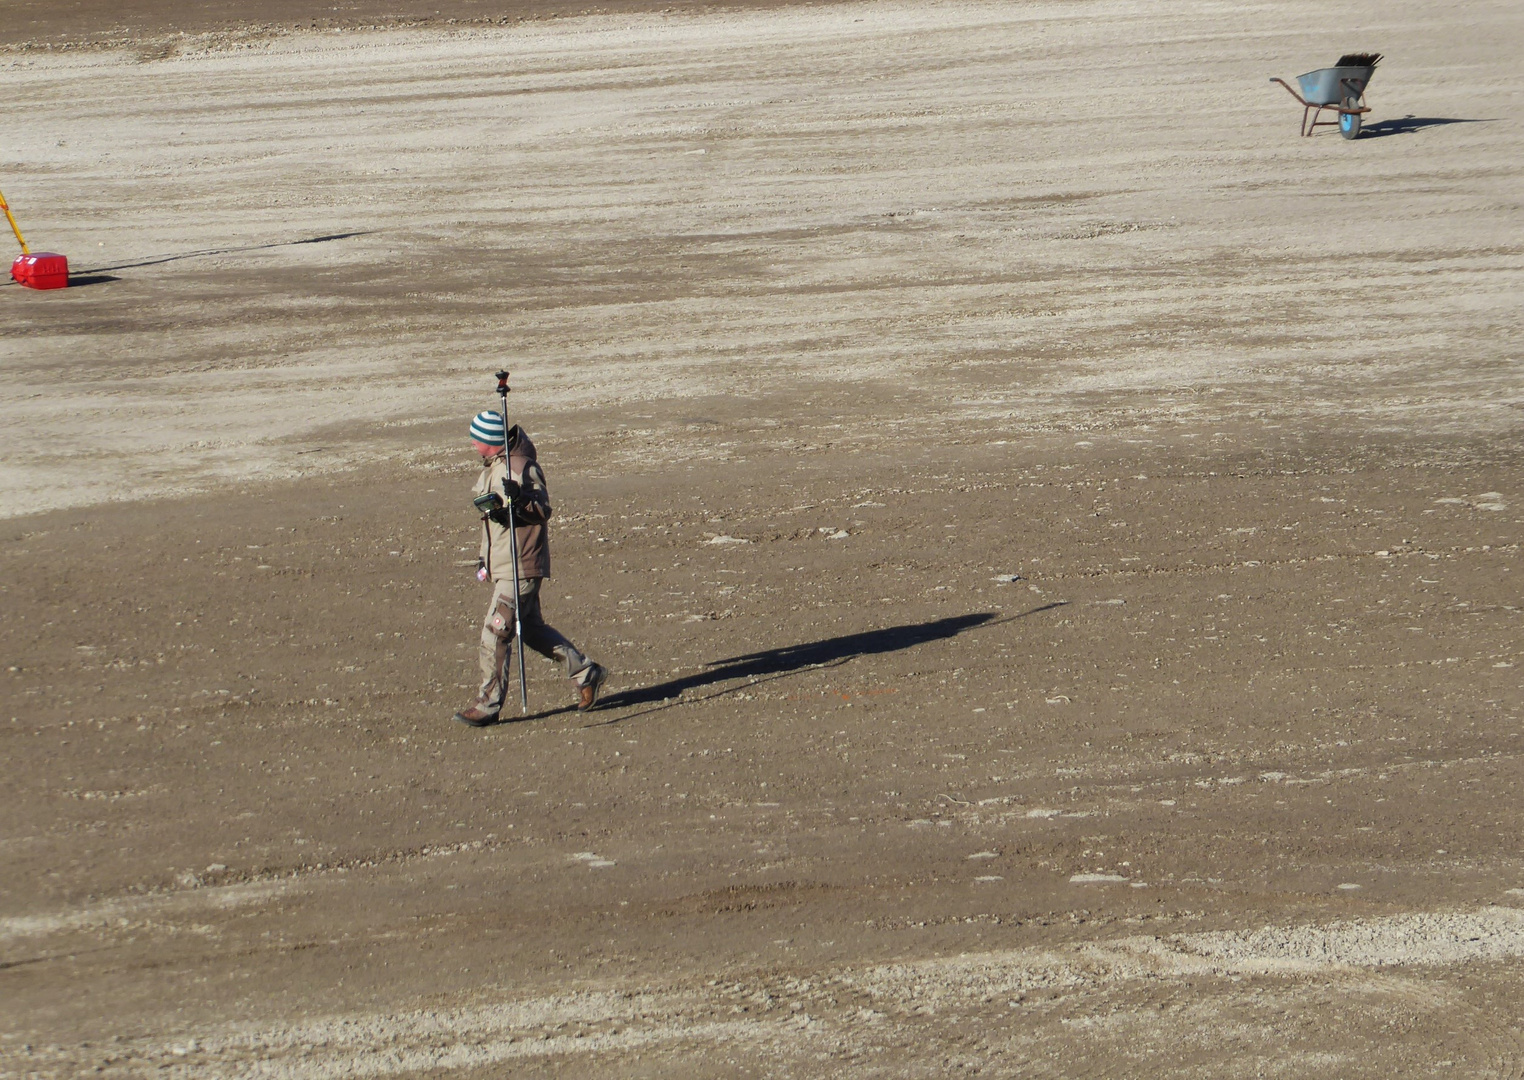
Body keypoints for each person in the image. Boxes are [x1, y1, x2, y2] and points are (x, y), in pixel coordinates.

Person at [454, 410, 606, 726]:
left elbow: (542, 509)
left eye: (476, 437)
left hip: (521, 564)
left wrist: (520, 499)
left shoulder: (521, 467)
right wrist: (486, 557)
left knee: (495, 633)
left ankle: (488, 704)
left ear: (491, 441)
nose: (472, 442)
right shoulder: (495, 468)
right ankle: (585, 673)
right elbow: (495, 522)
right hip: (506, 563)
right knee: (533, 630)